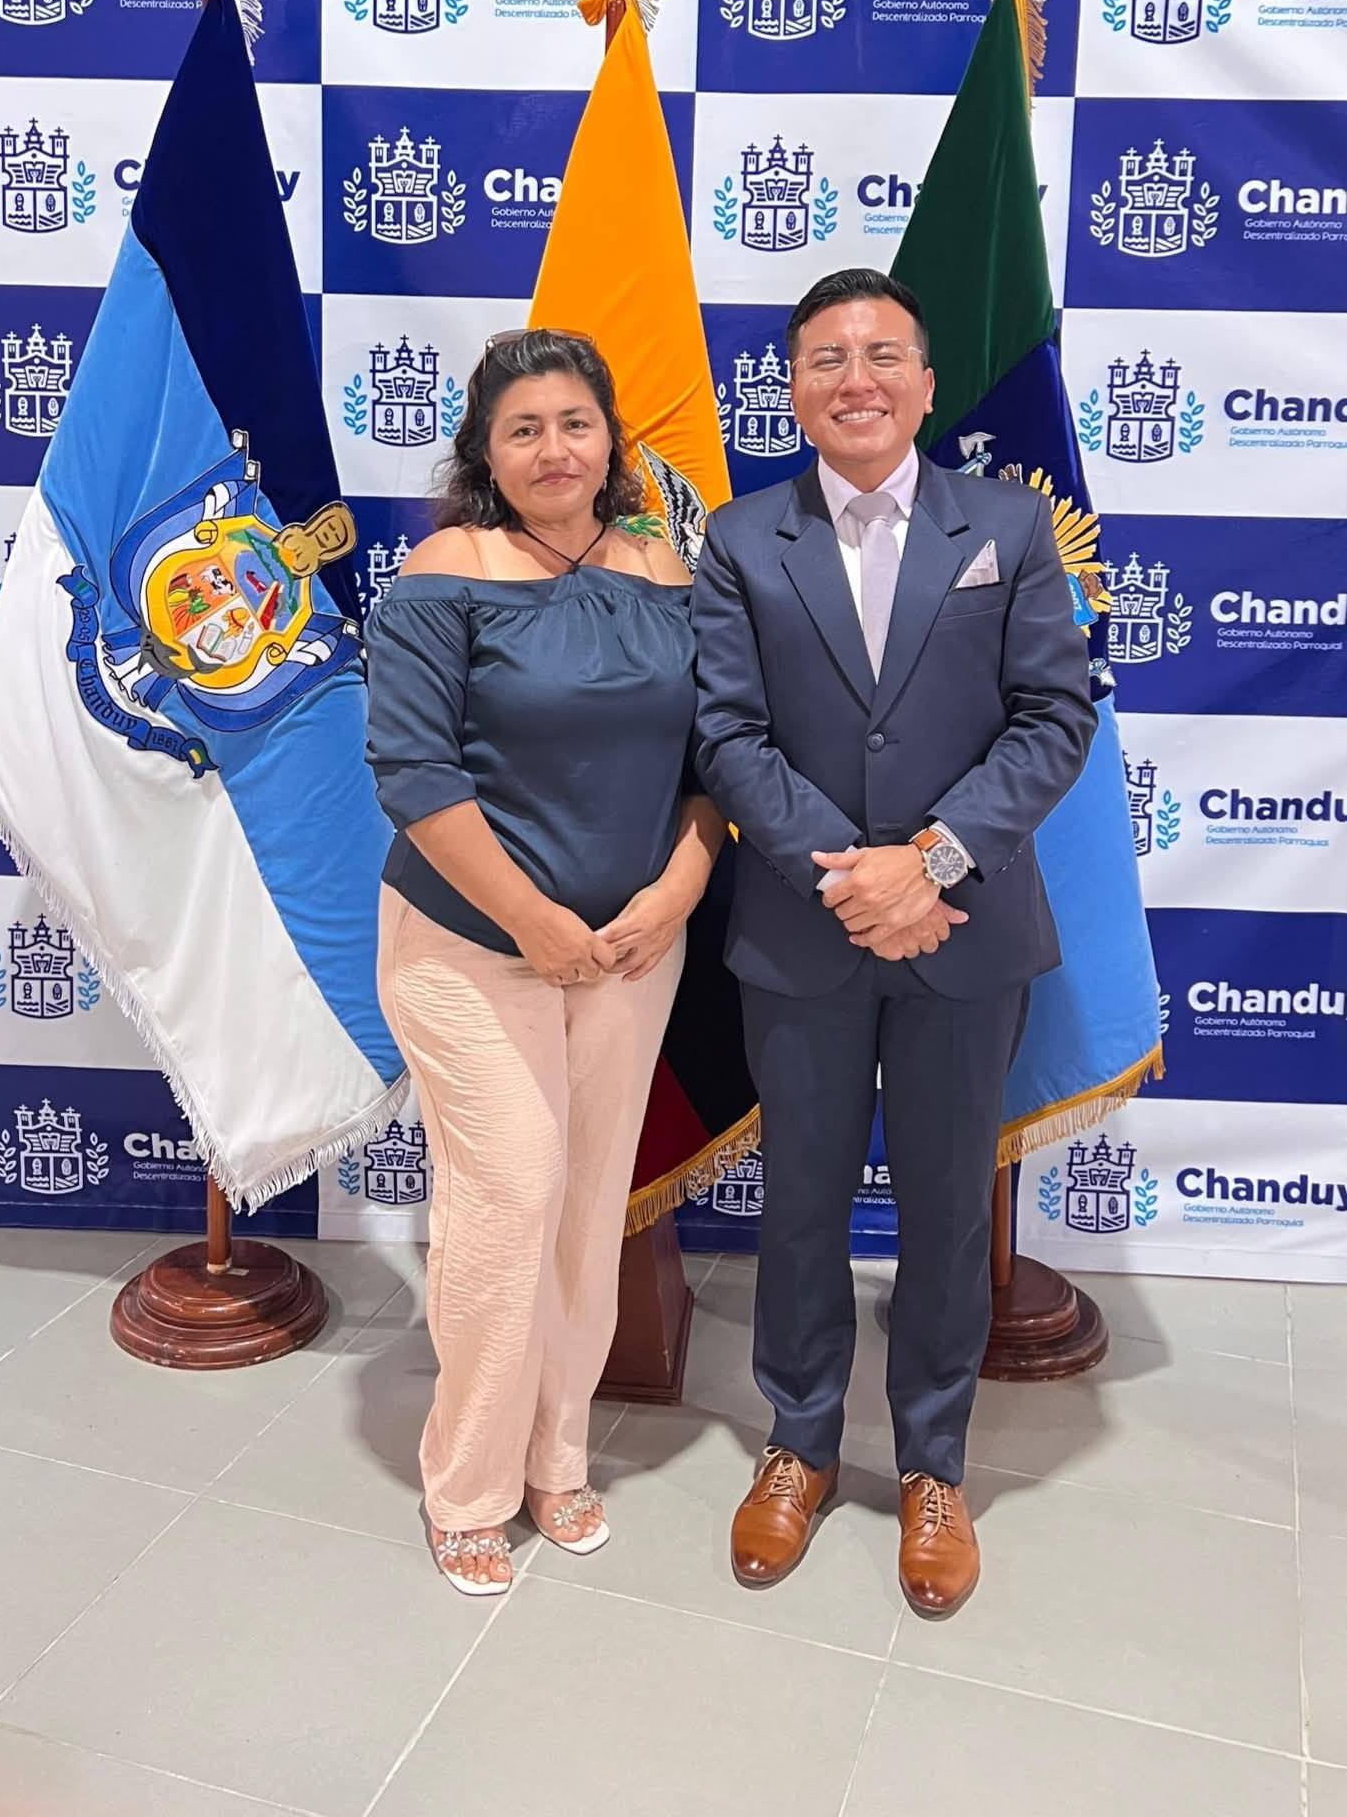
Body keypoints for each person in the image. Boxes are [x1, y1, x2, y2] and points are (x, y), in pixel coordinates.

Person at [691, 268, 1096, 1617]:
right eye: (825, 358)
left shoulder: (1008, 526)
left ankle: (932, 1464)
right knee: (801, 1204)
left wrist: (928, 862)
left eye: (880, 356)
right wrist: (852, 877)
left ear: (924, 383)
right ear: (792, 388)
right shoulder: (742, 538)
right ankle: (798, 1442)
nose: (853, 379)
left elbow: (1054, 716)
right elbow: (727, 733)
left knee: (943, 1204)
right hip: (802, 937)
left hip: (961, 928)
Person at [364, 328, 723, 1596]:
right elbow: (414, 774)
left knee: (587, 1207)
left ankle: (556, 1459)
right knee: (509, 1199)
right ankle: (466, 1487)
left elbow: (714, 764)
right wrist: (531, 920)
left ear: (612, 440)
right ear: (485, 451)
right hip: (472, 949)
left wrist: (677, 891)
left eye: (576, 422)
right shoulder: (442, 574)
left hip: (632, 951)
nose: (554, 449)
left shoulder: (664, 569)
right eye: (523, 429)